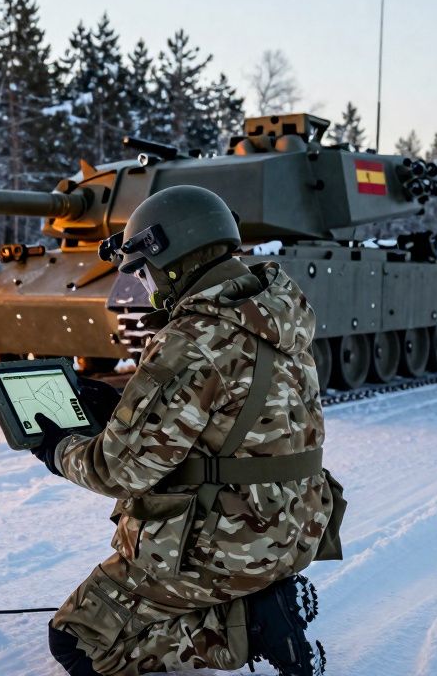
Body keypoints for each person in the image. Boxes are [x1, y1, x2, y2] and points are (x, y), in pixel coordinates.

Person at [33, 185, 337, 676]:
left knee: (78, 641)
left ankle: (248, 625)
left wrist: (57, 448)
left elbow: (118, 472)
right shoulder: (278, 312)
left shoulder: (191, 339)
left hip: (231, 546)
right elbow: (231, 417)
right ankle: (261, 600)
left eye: (145, 270)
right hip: (295, 528)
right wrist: (122, 409)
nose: (148, 285)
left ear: (171, 259)